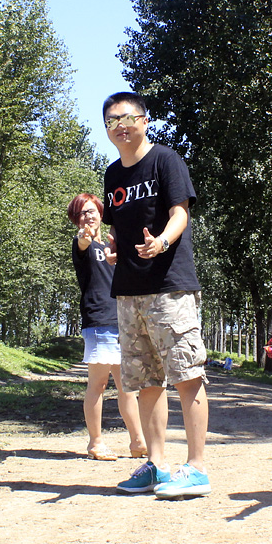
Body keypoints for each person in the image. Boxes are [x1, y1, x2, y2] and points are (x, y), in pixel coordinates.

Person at [101, 92, 210, 499]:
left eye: (128, 117)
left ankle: (197, 468)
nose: (121, 126)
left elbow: (180, 213)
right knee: (145, 381)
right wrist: (114, 246)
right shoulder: (113, 174)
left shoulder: (166, 160)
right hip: (129, 291)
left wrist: (161, 241)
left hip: (169, 286)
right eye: (112, 121)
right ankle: (156, 465)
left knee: (186, 373)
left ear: (144, 121)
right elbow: (117, 226)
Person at [67, 193, 147, 461]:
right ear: (76, 219)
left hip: (123, 320)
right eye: (82, 213)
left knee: (127, 387)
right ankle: (96, 443)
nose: (88, 216)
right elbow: (82, 241)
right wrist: (84, 237)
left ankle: (138, 442)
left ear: (101, 214)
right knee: (98, 384)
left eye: (91, 211)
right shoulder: (84, 245)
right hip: (99, 321)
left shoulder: (112, 246)